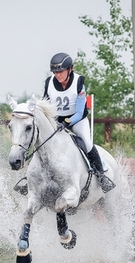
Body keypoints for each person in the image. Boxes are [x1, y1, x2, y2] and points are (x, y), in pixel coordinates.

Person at [43, 52, 115, 193]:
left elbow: (80, 111)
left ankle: (101, 177)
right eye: (55, 72)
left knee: (87, 143)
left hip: (76, 120)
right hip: (56, 120)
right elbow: (45, 105)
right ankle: (32, 179)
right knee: (42, 141)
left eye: (61, 71)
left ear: (70, 69)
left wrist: (66, 122)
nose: (58, 75)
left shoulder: (78, 82)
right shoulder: (49, 82)